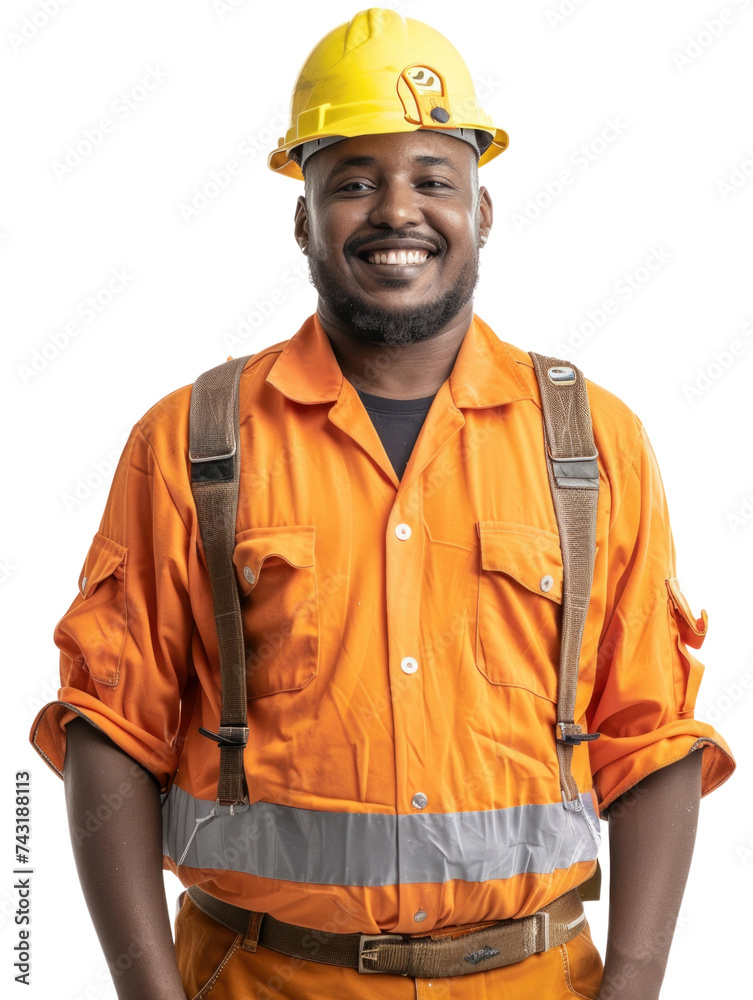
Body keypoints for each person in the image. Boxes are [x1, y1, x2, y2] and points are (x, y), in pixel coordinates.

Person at [30, 9, 735, 999]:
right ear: (302, 218)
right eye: (353, 181)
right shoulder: (192, 440)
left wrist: (635, 985)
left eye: (433, 180)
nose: (396, 210)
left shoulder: (590, 444)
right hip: (259, 981)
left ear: (481, 210)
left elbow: (651, 736)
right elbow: (111, 727)